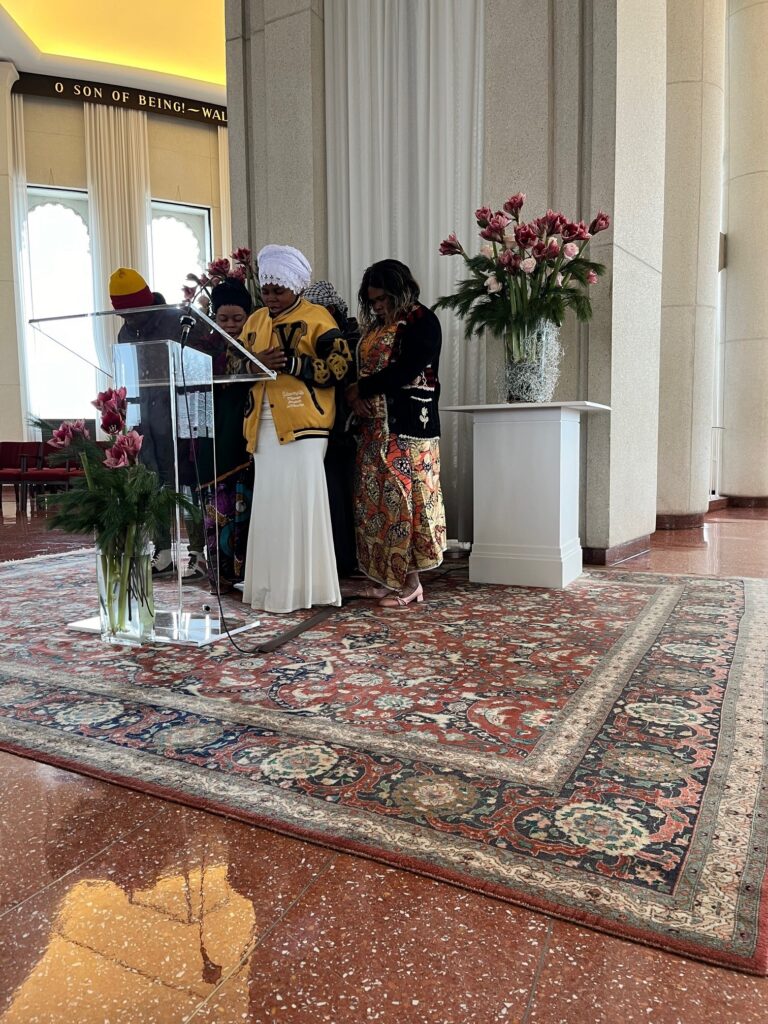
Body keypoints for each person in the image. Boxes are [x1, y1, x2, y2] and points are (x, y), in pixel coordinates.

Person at [239, 245, 353, 613]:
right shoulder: (254, 321)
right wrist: (252, 365)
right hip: (262, 425)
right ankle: (271, 589)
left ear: (296, 287)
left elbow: (340, 367)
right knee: (270, 505)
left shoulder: (317, 317)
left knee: (302, 503)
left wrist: (293, 362)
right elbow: (230, 361)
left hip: (306, 425)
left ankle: (309, 589)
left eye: (278, 290)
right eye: (266, 290)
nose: (270, 298)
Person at [346, 259, 446, 607]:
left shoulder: (423, 322)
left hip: (407, 432)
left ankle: (410, 584)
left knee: (406, 509)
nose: (376, 306)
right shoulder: (377, 326)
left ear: (400, 292)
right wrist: (357, 396)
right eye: (372, 301)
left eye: (382, 299)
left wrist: (362, 388)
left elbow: (406, 370)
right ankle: (387, 579)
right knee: (377, 509)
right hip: (374, 431)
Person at [109, 268, 206, 576]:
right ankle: (162, 551)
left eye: (133, 312)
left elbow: (201, 365)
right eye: (123, 314)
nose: (129, 320)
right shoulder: (125, 332)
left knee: (187, 488)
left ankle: (198, 553)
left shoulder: (178, 320)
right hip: (145, 423)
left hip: (179, 418)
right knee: (154, 488)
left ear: (146, 301)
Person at [197, 278, 255, 592]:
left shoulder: (256, 344)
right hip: (212, 439)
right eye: (223, 318)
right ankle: (219, 576)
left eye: (237, 318)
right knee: (215, 510)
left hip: (244, 438)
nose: (230, 325)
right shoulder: (204, 346)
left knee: (244, 508)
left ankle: (245, 575)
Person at [303, 280, 360, 579]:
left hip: (345, 431)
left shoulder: (351, 339)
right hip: (316, 426)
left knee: (342, 495)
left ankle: (344, 561)